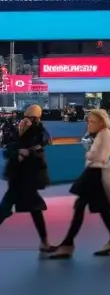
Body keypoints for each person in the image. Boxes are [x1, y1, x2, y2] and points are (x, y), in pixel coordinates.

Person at [49, 109, 110, 259]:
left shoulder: (105, 135)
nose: (89, 124)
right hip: (94, 171)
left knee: (81, 206)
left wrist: (88, 152)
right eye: (88, 121)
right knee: (101, 209)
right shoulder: (100, 135)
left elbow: (100, 156)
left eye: (93, 122)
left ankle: (68, 244)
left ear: (101, 122)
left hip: (95, 172)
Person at [0, 105, 54, 253]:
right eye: (27, 116)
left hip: (27, 175)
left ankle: (45, 243)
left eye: (31, 117)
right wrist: (18, 151)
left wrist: (26, 150)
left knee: (27, 207)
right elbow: (8, 148)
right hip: (19, 176)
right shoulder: (16, 129)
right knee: (8, 207)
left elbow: (44, 141)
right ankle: (45, 243)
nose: (27, 120)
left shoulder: (39, 131)